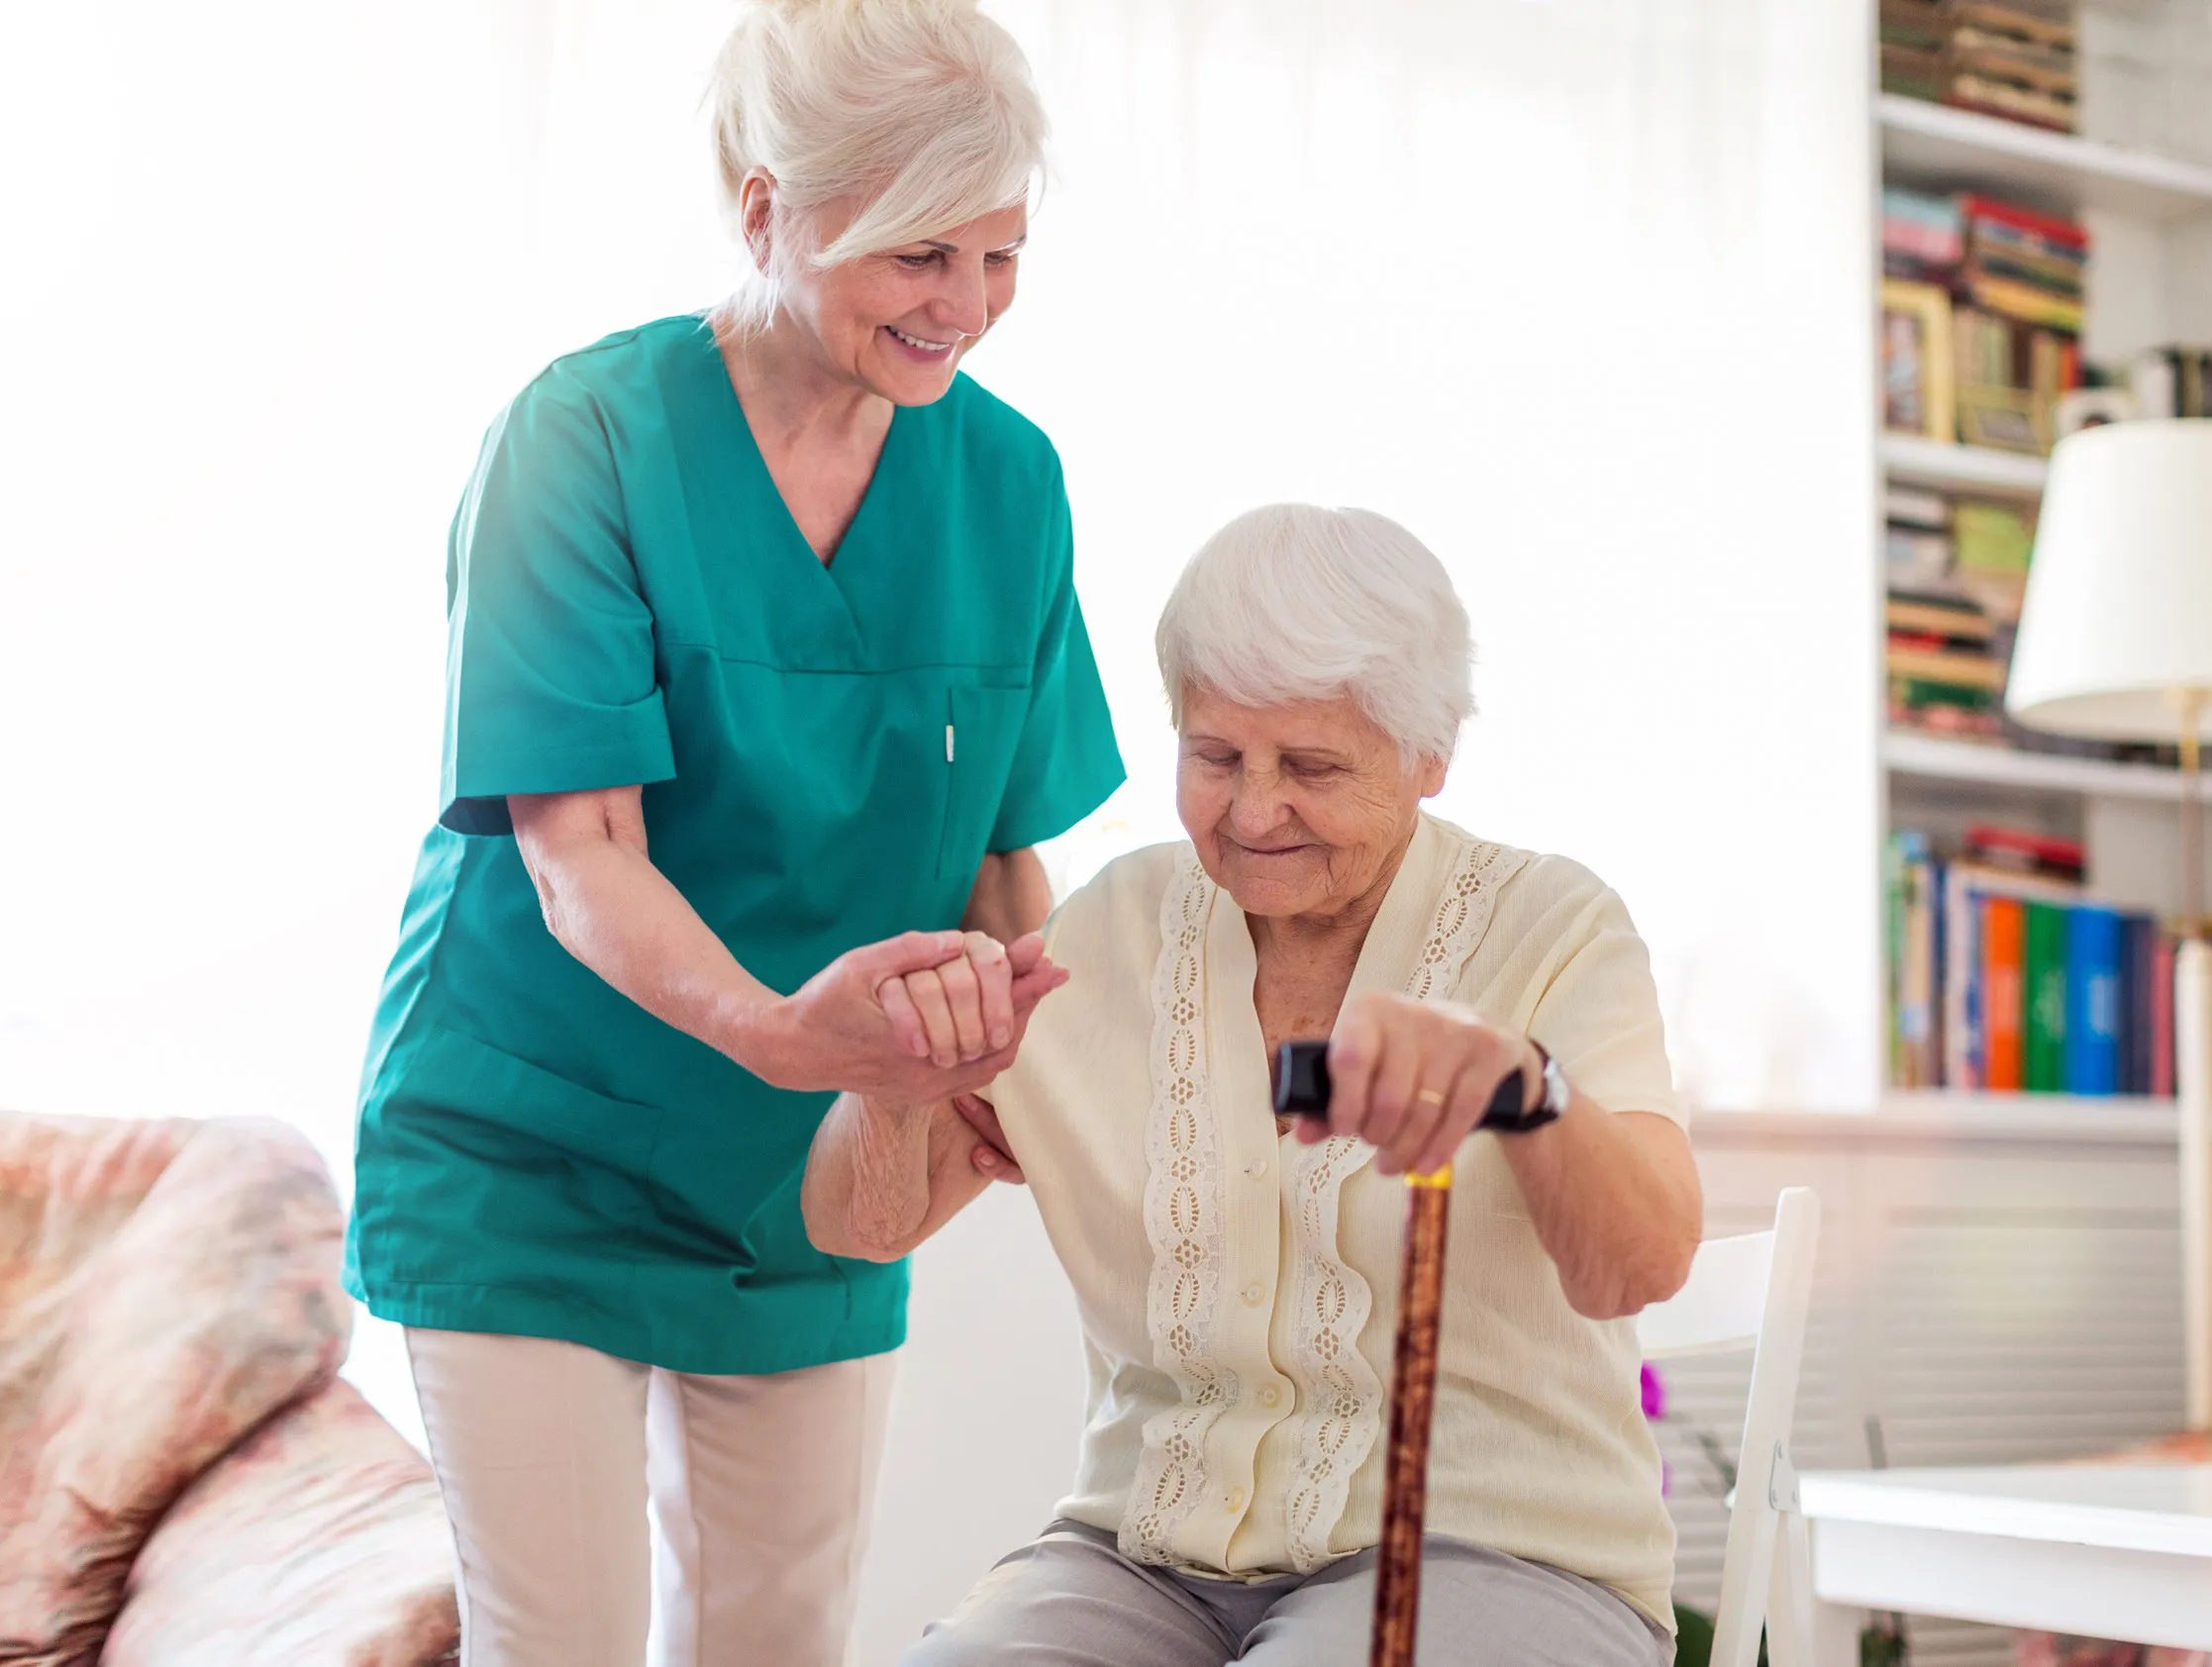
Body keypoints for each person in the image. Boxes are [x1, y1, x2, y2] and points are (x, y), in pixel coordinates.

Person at [342, 3, 1121, 1662]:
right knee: (559, 1636)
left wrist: (1002, 1060)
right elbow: (580, 853)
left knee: (778, 1635)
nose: (965, 308)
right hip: (533, 1147)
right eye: (920, 253)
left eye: (1000, 253)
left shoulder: (1011, 484)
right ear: (767, 209)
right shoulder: (585, 441)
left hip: (824, 1172)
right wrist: (783, 1032)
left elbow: (1000, 859)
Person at [805, 504, 1704, 1666]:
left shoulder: (1551, 926)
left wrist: (1521, 1088)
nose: (1252, 808)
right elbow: (857, 1228)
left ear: (1429, 757)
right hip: (1141, 1560)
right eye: (1216, 755)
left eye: (1314, 766)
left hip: (1492, 1556)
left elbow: (1640, 1262)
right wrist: (900, 1079)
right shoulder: (1114, 929)